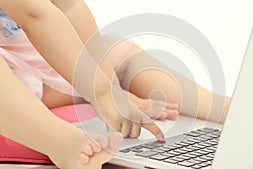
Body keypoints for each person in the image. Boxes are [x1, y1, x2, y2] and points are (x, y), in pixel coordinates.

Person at [0, 0, 230, 169]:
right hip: (11, 77)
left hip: (32, 52)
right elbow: (33, 15)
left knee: (114, 48)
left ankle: (226, 109)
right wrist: (101, 93)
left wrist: (111, 87)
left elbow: (69, 7)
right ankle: (60, 141)